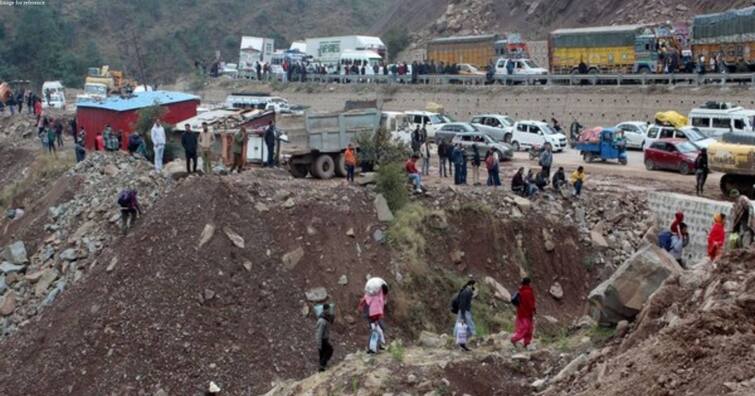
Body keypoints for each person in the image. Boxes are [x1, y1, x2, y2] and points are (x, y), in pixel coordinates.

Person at [358, 283, 389, 352]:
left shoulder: (369, 296)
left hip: (371, 316)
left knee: (377, 331)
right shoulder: (376, 298)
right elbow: (375, 310)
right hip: (372, 317)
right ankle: (373, 347)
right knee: (376, 331)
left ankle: (377, 346)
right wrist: (375, 320)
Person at [511, 277, 536, 348]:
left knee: (523, 327)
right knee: (527, 328)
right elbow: (530, 303)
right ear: (529, 283)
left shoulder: (521, 291)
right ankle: (517, 339)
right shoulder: (528, 292)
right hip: (527, 313)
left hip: (521, 312)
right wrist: (533, 310)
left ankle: (524, 342)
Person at [315, 303, 334, 372]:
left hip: (324, 339)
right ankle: (322, 366)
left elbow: (331, 321)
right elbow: (319, 333)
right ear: (325, 310)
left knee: (322, 354)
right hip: (322, 340)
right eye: (328, 309)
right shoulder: (322, 321)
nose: (329, 311)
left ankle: (322, 369)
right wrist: (319, 343)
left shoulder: (325, 318)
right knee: (329, 350)